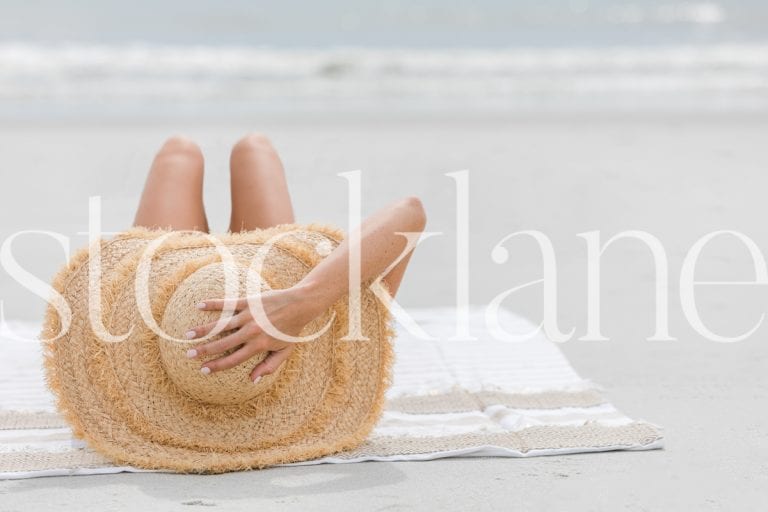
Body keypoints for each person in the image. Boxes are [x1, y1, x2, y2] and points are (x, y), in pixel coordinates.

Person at [132, 133, 427, 383]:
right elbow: (409, 214)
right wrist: (300, 304)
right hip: (268, 291)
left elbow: (409, 215)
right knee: (252, 149)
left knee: (180, 152)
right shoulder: (328, 391)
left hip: (173, 317)